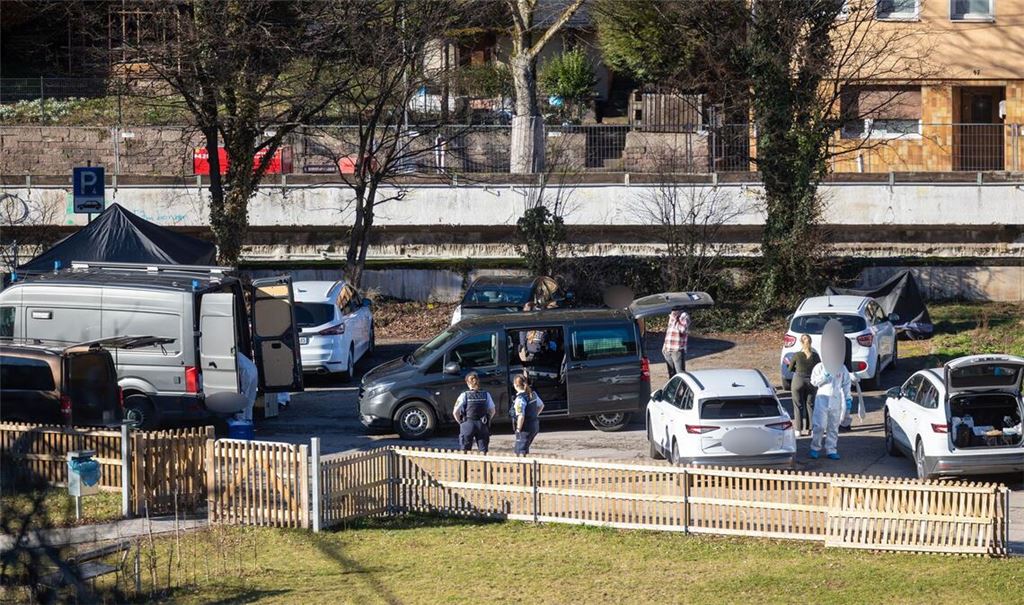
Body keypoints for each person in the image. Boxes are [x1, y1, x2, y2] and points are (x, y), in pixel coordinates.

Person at [809, 358, 852, 460]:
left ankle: (831, 449)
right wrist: (824, 376)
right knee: (819, 425)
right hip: (822, 399)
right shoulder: (819, 367)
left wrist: (848, 398)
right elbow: (813, 381)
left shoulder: (842, 368)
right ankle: (815, 448)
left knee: (833, 426)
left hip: (836, 400)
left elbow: (846, 384)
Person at [453, 372, 495, 453]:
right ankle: (484, 466)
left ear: (467, 383)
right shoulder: (486, 394)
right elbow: (493, 410)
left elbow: (455, 412)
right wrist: (488, 419)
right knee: (483, 450)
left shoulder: (464, 395)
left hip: (467, 423)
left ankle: (464, 465)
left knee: (465, 450)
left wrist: (461, 422)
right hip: (482, 424)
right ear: (478, 381)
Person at [787, 334, 820, 436]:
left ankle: (798, 430)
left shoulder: (797, 355)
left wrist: (791, 366)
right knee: (811, 405)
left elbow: (790, 369)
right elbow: (819, 368)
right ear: (811, 343)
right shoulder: (815, 356)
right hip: (811, 381)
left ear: (801, 343)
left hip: (798, 380)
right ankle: (812, 429)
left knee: (798, 406)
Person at [511, 373, 544, 456]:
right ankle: (525, 465)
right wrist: (534, 415)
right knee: (525, 448)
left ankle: (523, 467)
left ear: (515, 385)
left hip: (526, 428)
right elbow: (541, 405)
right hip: (535, 425)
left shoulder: (520, 398)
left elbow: (521, 416)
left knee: (519, 450)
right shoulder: (533, 394)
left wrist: (518, 429)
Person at [662, 307, 690, 376]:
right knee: (671, 373)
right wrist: (664, 347)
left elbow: (682, 329)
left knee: (680, 374)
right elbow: (669, 332)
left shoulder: (684, 315)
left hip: (677, 350)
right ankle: (673, 387)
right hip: (667, 349)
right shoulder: (672, 316)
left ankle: (683, 387)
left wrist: (674, 318)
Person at [235, 351, 259, 422]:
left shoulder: (231, 355)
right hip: (253, 369)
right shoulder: (238, 354)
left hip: (247, 372)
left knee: (243, 397)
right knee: (250, 400)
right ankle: (248, 420)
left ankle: (241, 421)